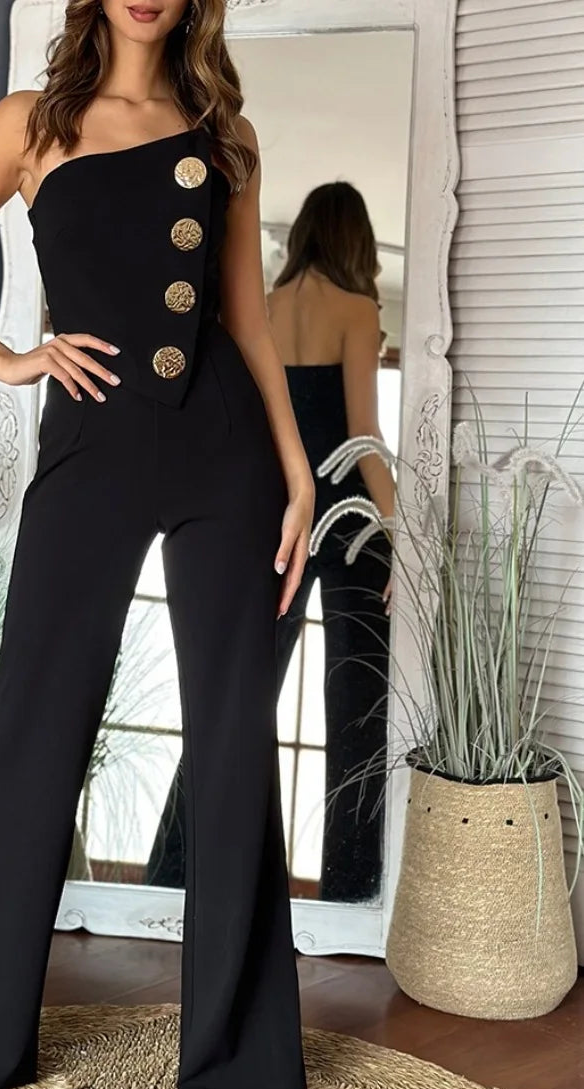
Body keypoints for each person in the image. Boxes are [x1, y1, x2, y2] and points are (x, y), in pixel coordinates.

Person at [0, 2, 315, 1089]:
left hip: (225, 449)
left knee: (229, 739)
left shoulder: (226, 133)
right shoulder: (30, 123)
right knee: (32, 726)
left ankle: (228, 1061)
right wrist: (13, 362)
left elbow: (250, 327)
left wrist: (299, 472)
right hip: (90, 444)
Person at [267, 181, 396, 902]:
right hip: (349, 521)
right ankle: (351, 891)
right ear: (357, 242)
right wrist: (403, 537)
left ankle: (177, 875)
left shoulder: (262, 305)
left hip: (272, 510)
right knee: (357, 710)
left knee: (239, 699)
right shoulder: (358, 310)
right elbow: (363, 441)